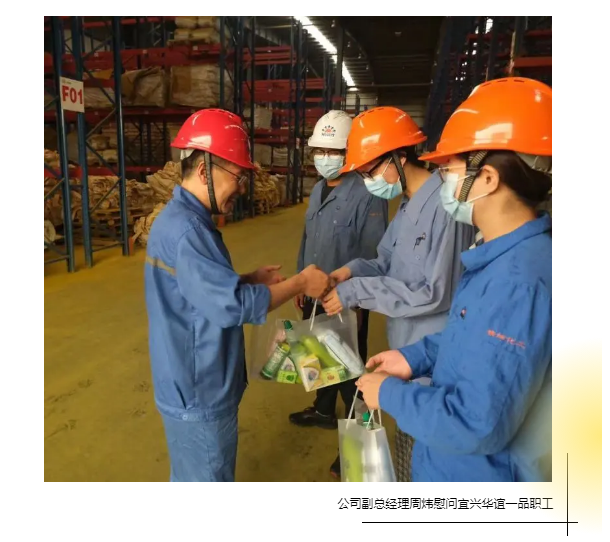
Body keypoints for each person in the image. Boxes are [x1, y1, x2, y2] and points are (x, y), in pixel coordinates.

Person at [357, 77, 552, 482]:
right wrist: (415, 357)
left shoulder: (519, 281)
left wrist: (388, 393)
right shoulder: (499, 255)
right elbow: (471, 334)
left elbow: (475, 424)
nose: (442, 177)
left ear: (488, 179)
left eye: (450, 168)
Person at [144, 109, 331, 482]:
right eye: (238, 177)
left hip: (188, 380)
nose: (243, 188)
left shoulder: (182, 221)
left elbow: (198, 290)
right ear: (204, 172)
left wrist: (246, 279)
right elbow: (232, 307)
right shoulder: (188, 233)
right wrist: (299, 283)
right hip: (199, 389)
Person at [321, 106, 475, 481]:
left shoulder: (445, 208)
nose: (369, 181)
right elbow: (385, 260)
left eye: (371, 171)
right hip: (406, 352)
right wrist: (350, 271)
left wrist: (356, 291)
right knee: (408, 456)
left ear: (399, 157)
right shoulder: (407, 204)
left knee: (429, 462)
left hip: (433, 362)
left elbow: (434, 293)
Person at [288, 110, 388, 478]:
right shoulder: (318, 189)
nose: (325, 157)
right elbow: (308, 238)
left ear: (349, 153)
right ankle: (324, 410)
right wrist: (300, 279)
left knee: (350, 373)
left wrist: (357, 303)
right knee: (317, 355)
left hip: (345, 299)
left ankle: (360, 445)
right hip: (313, 292)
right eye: (320, 150)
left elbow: (374, 256)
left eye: (333, 151)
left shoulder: (367, 194)